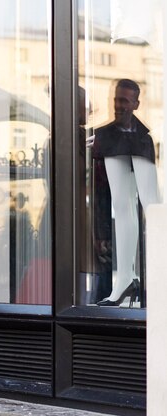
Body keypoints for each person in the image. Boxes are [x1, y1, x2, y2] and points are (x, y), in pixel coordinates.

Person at [92, 78, 159, 307]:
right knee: (122, 207)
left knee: (151, 207)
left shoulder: (143, 138)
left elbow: (151, 203)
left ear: (136, 104)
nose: (119, 105)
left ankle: (145, 277)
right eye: (116, 100)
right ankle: (125, 280)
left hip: (134, 141)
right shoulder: (106, 135)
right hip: (112, 140)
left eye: (125, 101)